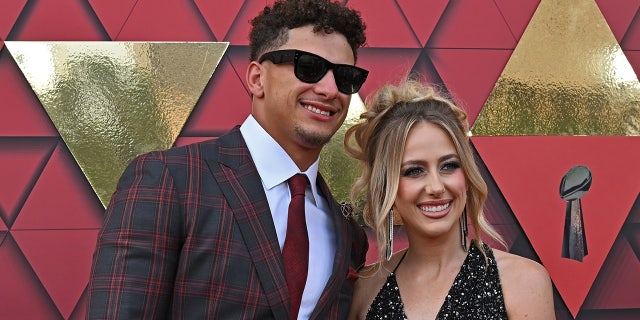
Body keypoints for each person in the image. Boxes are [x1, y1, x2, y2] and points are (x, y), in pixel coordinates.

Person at [86, 0, 369, 318]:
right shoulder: (169, 180)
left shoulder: (348, 232)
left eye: (346, 77)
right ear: (256, 79)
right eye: (309, 67)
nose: (330, 89)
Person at [344, 78, 555, 319]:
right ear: (386, 186)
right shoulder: (365, 289)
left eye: (449, 166)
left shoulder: (522, 282)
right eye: (414, 170)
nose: (436, 186)